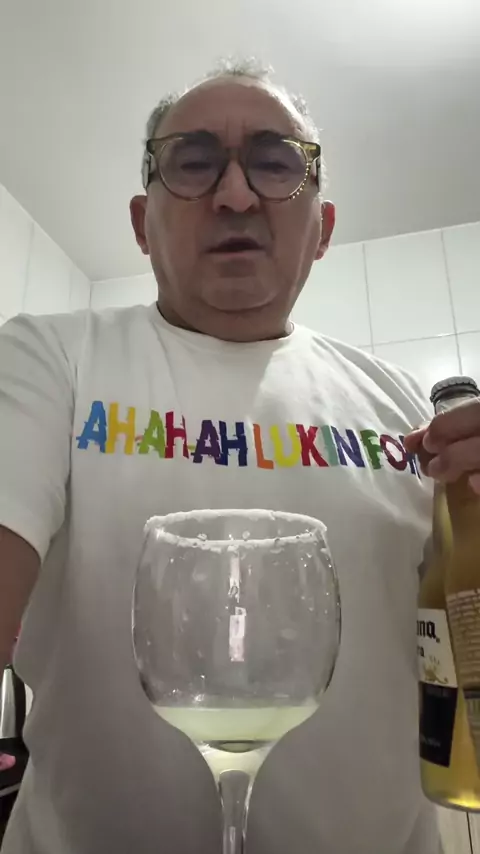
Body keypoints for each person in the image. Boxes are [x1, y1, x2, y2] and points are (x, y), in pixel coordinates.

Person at [0, 58, 479, 854]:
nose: (234, 194)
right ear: (141, 222)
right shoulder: (50, 359)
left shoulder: (407, 408)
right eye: (192, 162)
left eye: (275, 163)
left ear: (323, 228)